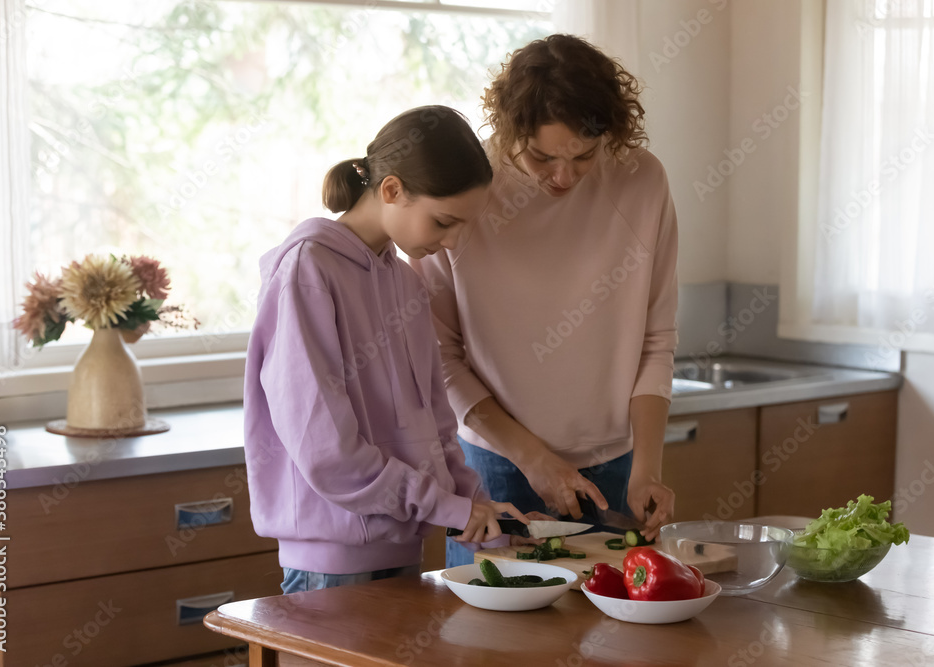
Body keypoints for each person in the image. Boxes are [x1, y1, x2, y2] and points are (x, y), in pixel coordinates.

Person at [410, 35, 680, 567]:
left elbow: (657, 339)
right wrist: (532, 458)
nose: (563, 176)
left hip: (615, 467)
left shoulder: (642, 181)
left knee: (606, 642)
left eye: (583, 156)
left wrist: (648, 468)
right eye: (541, 156)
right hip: (496, 464)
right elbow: (439, 358)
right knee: (489, 646)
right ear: (511, 129)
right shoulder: (464, 191)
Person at [243, 105, 527, 594]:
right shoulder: (307, 273)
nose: (453, 242)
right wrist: (448, 507)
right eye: (444, 222)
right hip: (330, 565)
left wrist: (478, 506)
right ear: (392, 190)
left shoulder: (406, 284)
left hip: (404, 550)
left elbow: (436, 424)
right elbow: (328, 451)